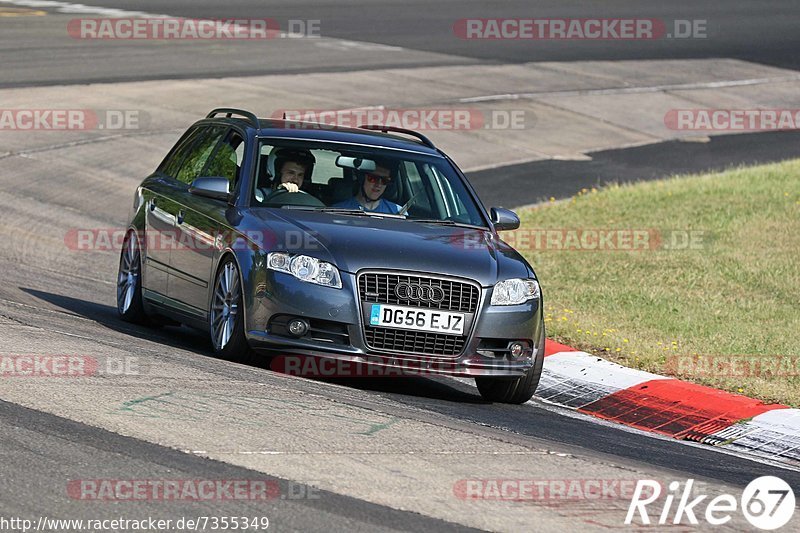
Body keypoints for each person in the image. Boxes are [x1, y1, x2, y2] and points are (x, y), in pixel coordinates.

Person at [333, 163, 401, 214]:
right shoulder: (338, 211)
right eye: (373, 178)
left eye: (384, 180)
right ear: (362, 178)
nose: (378, 184)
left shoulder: (398, 212)